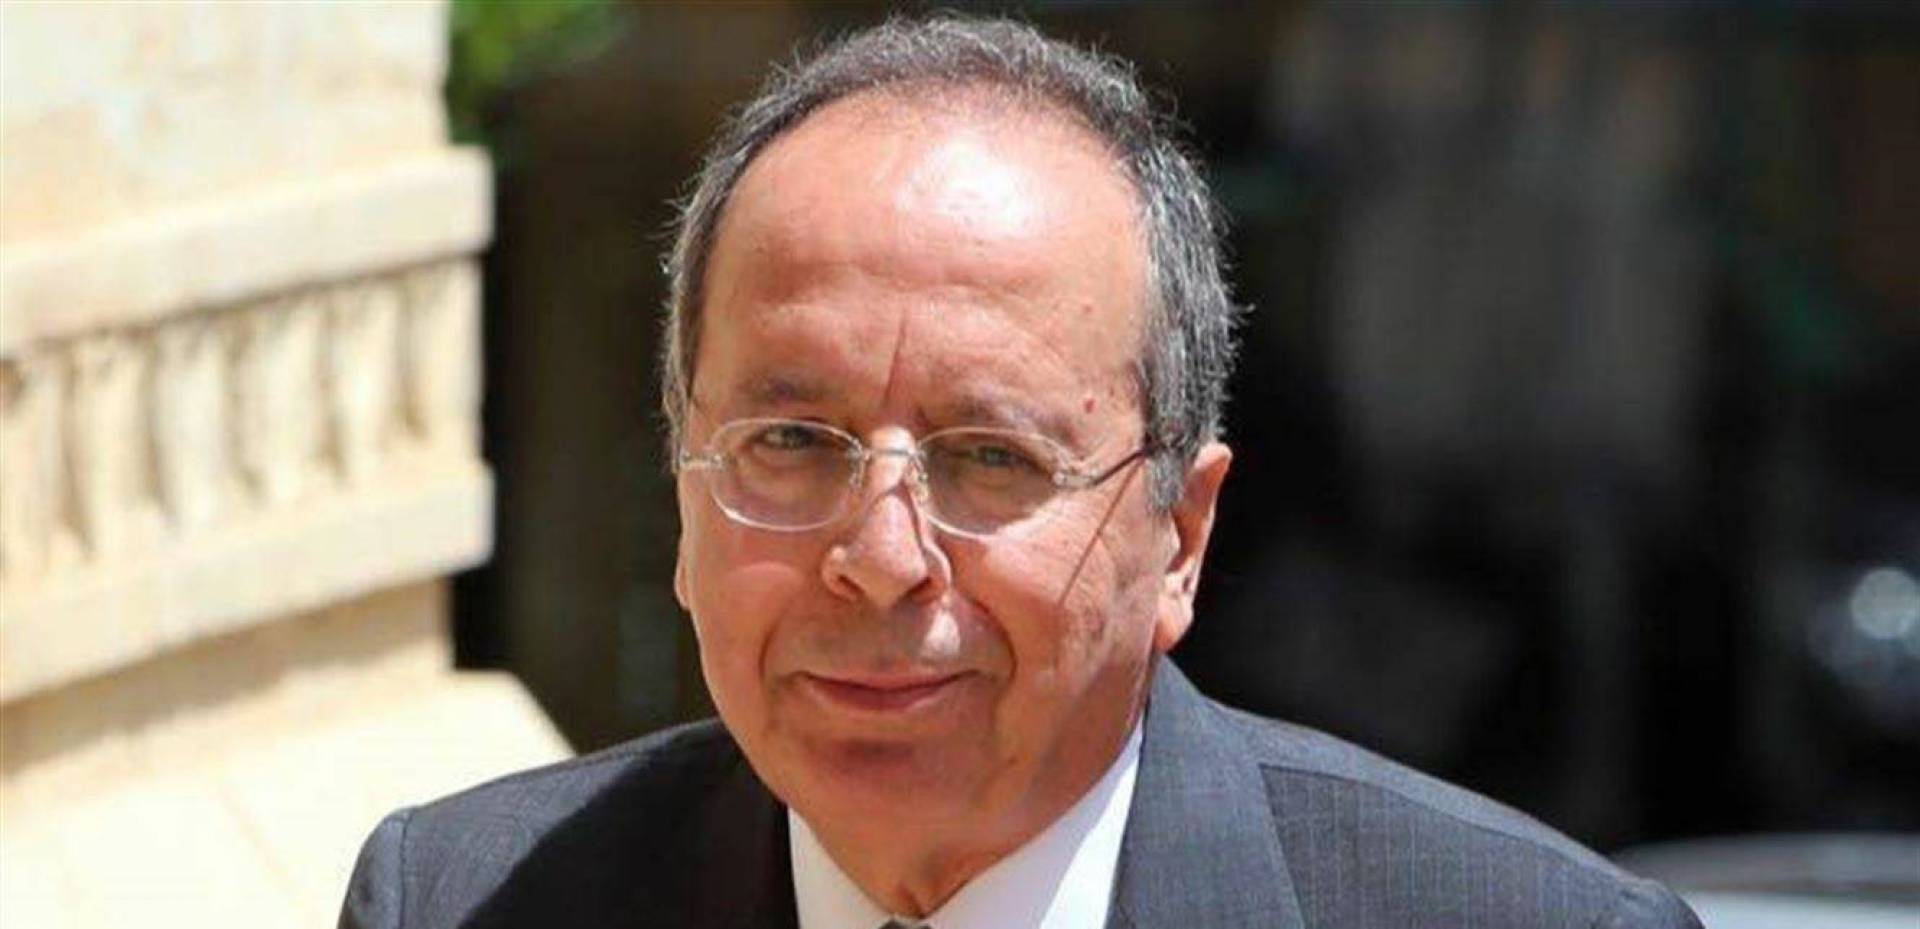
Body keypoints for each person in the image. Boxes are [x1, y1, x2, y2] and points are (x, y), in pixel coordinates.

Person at [340, 16, 1701, 929]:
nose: (879, 558)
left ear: (1179, 536)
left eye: (990, 458)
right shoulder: (461, 904)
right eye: (791, 443)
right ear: (684, 495)